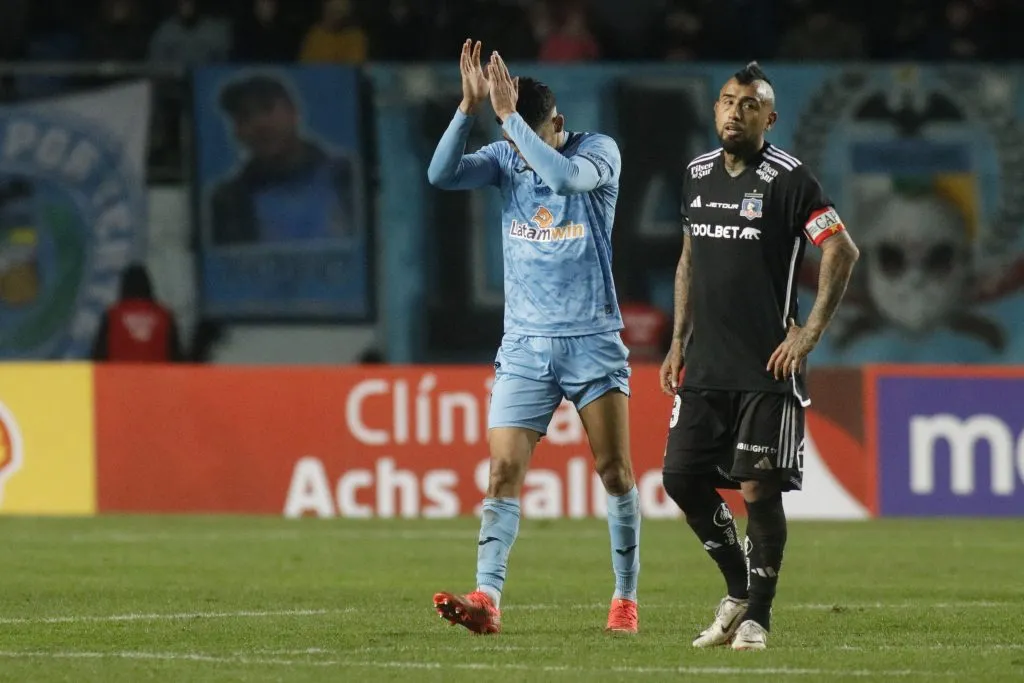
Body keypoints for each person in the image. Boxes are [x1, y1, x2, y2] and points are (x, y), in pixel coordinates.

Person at [427, 41, 640, 635]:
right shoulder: (506, 153)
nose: (523, 148)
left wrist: (511, 122)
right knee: (501, 473)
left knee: (615, 471)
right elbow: (439, 174)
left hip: (592, 337)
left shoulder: (597, 152)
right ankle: (486, 599)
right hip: (524, 345)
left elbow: (566, 179)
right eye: (516, 134)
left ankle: (625, 598)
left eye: (533, 133)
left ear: (558, 124)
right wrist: (470, 110)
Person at [660, 62, 860, 651]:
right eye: (726, 101)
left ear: (768, 117)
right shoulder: (697, 174)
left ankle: (757, 619)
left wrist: (810, 332)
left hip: (766, 368)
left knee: (756, 490)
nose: (733, 112)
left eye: (748, 105)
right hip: (706, 364)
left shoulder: (790, 179)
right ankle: (738, 588)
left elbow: (842, 250)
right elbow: (689, 259)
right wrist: (676, 341)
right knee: (679, 478)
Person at [208, 74, 357, 245]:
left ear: (294, 112)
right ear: (236, 132)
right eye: (245, 116)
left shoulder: (346, 174)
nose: (260, 124)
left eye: (267, 108)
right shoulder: (227, 201)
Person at [92, 264, 185, 363]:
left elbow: (99, 356)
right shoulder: (165, 315)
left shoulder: (112, 315)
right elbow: (176, 357)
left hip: (119, 376)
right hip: (159, 377)